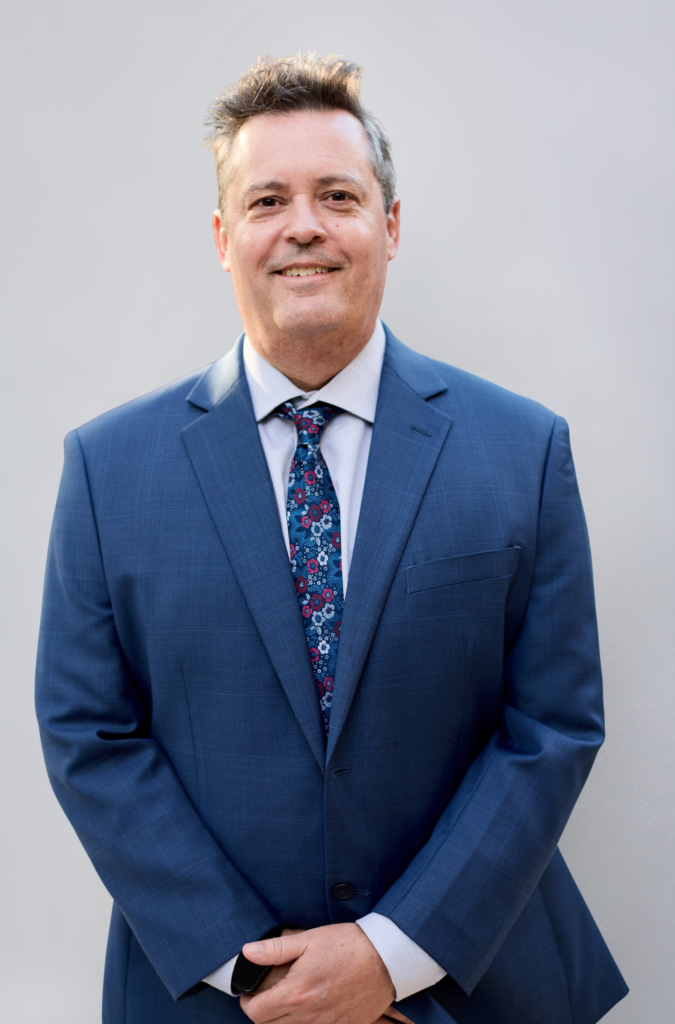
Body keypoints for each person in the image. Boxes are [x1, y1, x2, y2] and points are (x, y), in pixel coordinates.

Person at [35, 54, 628, 1024]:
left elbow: (551, 722)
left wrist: (391, 955)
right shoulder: (108, 467)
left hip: (470, 989)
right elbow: (87, 733)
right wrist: (270, 977)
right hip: (212, 996)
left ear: (388, 227)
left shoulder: (522, 448)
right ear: (224, 238)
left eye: (337, 194)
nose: (302, 224)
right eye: (267, 199)